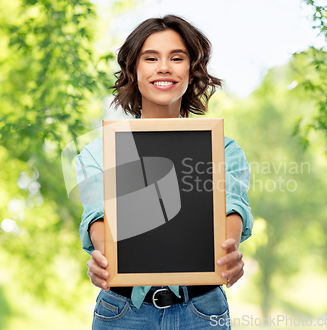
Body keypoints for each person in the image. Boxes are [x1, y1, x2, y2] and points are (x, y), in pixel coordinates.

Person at [75, 14, 254, 329]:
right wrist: (105, 258)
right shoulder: (97, 153)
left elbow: (233, 206)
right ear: (134, 70)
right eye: (151, 58)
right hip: (122, 312)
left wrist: (230, 250)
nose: (164, 67)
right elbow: (97, 217)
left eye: (177, 57)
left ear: (191, 69)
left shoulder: (224, 150)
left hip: (202, 311)